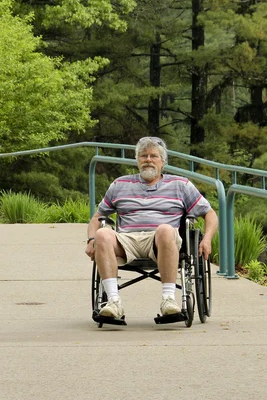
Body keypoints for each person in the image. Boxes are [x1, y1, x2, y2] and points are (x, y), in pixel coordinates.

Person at [85, 136, 218, 319]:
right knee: (103, 234)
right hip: (127, 241)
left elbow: (210, 214)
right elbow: (97, 217)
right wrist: (91, 240)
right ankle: (113, 302)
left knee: (164, 229)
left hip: (161, 240)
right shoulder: (119, 184)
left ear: (163, 162)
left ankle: (169, 299)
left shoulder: (181, 185)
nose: (148, 160)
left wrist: (207, 239)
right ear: (137, 160)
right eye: (143, 156)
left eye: (154, 156)